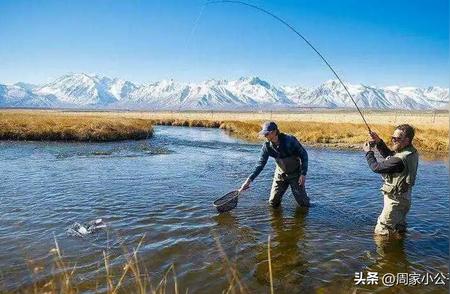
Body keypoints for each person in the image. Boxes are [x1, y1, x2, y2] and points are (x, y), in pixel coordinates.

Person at [363, 124, 419, 236]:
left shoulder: (399, 159)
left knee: (382, 231)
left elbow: (376, 167)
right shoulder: (411, 152)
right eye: (393, 137)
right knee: (399, 230)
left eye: (397, 138)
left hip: (395, 201)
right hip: (405, 199)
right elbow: (391, 156)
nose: (393, 140)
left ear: (407, 140)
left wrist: (368, 152)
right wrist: (378, 141)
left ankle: (382, 253)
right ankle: (398, 251)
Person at [239, 121, 310, 207]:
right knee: (273, 202)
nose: (264, 136)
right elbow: (260, 164)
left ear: (275, 132)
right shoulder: (267, 146)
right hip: (280, 175)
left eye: (266, 134)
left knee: (304, 204)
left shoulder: (290, 140)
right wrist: (248, 181)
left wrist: (303, 174)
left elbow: (304, 155)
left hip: (295, 174)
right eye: (264, 134)